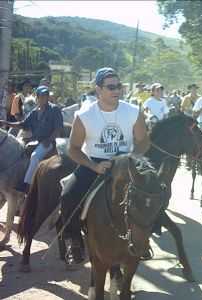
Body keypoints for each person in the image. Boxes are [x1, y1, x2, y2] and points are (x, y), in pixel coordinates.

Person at [60, 67, 149, 268]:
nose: (116, 90)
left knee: (152, 192)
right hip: (94, 164)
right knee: (68, 195)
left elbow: (143, 141)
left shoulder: (133, 112)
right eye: (111, 87)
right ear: (98, 90)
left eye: (119, 86)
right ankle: (73, 241)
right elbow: (73, 149)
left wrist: (130, 157)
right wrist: (93, 166)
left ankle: (145, 238)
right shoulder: (84, 115)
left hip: (125, 163)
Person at [0, 85, 64, 193]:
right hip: (35, 141)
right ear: (37, 97)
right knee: (20, 153)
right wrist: (7, 123)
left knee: (34, 156)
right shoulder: (34, 112)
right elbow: (23, 124)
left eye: (46, 96)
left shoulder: (54, 109)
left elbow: (58, 128)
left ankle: (27, 185)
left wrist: (48, 140)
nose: (44, 98)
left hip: (48, 142)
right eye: (42, 96)